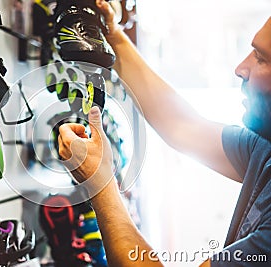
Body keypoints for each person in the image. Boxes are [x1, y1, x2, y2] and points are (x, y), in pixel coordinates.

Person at [57, 0, 271, 266]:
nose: (240, 68)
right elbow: (182, 125)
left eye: (261, 58)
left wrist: (100, 184)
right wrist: (115, 35)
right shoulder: (265, 150)